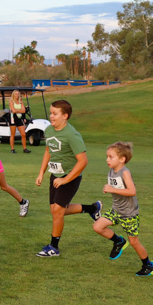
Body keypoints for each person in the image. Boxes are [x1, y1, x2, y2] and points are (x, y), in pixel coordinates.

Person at [34, 100, 101, 257]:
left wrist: (66, 179)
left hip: (70, 176)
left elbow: (83, 161)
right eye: (50, 113)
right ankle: (92, 208)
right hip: (55, 175)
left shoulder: (72, 135)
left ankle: (54, 247)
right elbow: (48, 151)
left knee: (57, 211)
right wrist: (41, 172)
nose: (51, 116)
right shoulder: (49, 130)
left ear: (65, 116)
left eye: (55, 113)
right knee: (55, 211)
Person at [91, 142, 153, 276]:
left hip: (129, 214)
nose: (107, 159)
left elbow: (132, 191)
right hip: (116, 210)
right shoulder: (111, 170)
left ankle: (148, 265)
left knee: (134, 242)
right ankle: (118, 241)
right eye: (107, 156)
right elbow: (117, 188)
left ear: (122, 159)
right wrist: (108, 189)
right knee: (97, 226)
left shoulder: (125, 172)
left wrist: (112, 189)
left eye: (110, 157)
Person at [8, 89, 30, 153]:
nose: (17, 95)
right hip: (13, 118)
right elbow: (13, 111)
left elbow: (24, 110)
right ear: (13, 95)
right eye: (15, 94)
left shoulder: (21, 101)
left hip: (19, 118)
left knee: (23, 134)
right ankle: (12, 149)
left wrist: (17, 110)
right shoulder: (11, 102)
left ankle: (25, 148)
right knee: (13, 134)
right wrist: (19, 110)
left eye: (18, 94)